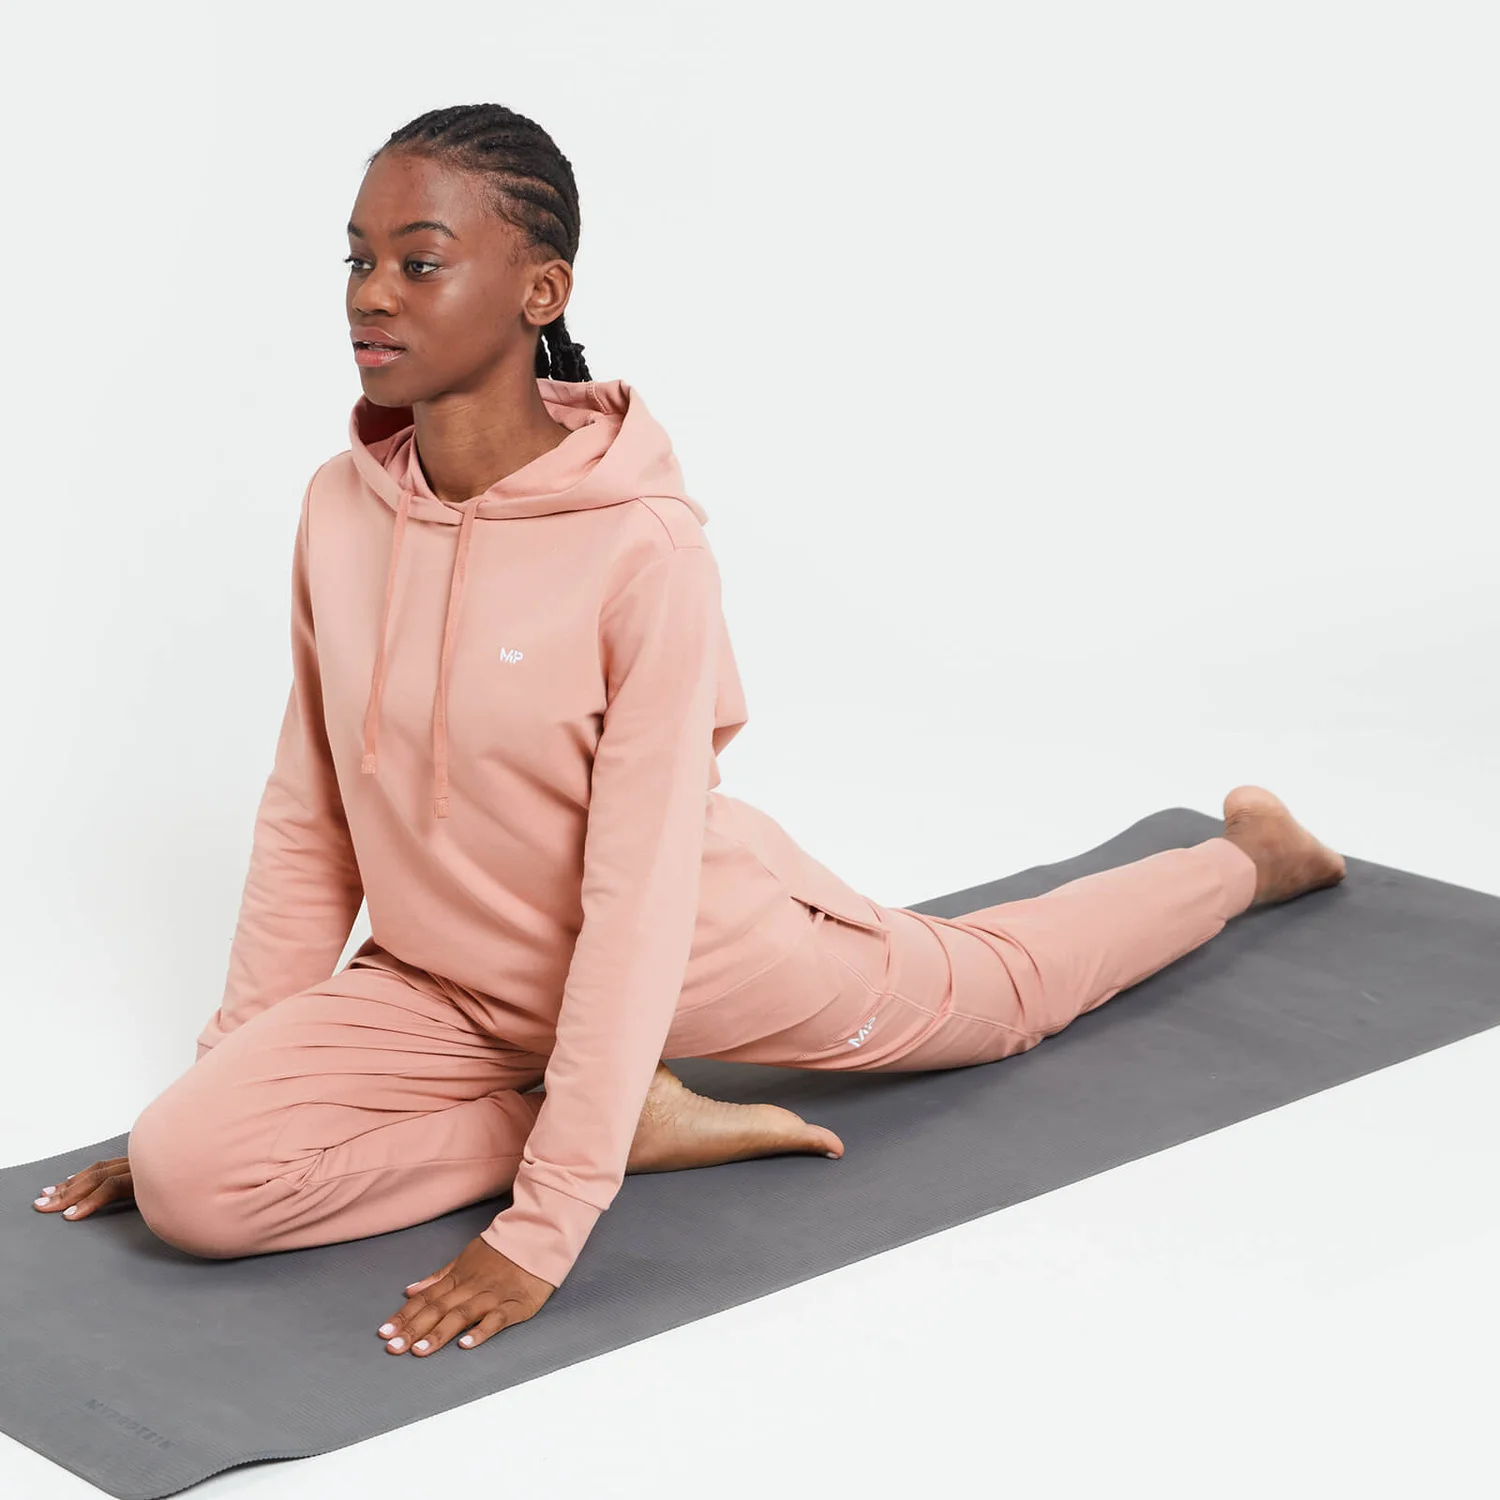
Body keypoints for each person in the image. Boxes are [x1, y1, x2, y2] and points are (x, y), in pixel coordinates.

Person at [30, 104, 1346, 1358]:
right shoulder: (340, 506)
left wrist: (550, 1215)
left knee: (1002, 998)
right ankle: (625, 1114)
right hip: (441, 985)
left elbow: (640, 898)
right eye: (358, 259)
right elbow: (310, 808)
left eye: (419, 263)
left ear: (541, 290)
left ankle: (1249, 859)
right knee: (194, 1182)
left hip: (689, 949)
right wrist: (225, 1090)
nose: (372, 294)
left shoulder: (642, 549)